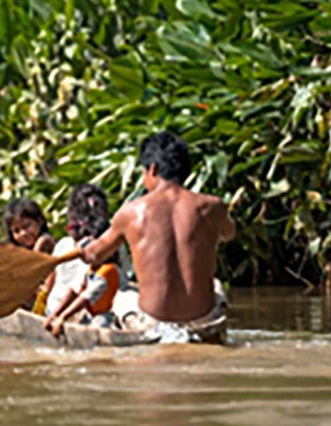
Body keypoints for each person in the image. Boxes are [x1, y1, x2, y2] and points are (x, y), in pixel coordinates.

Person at [73, 130, 235, 344]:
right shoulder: (213, 207)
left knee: (123, 296)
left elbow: (94, 255)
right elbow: (229, 234)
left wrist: (82, 247)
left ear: (153, 169)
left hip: (155, 326)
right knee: (215, 285)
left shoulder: (130, 213)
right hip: (205, 322)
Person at [44, 184, 133, 318]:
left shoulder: (63, 245)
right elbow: (76, 291)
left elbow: (53, 285)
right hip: (73, 312)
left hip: (62, 308)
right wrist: (59, 316)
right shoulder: (110, 247)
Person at [3, 198, 56, 311]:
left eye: (27, 226)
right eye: (16, 231)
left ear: (40, 221)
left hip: (49, 298)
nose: (23, 234)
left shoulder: (45, 242)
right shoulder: (18, 251)